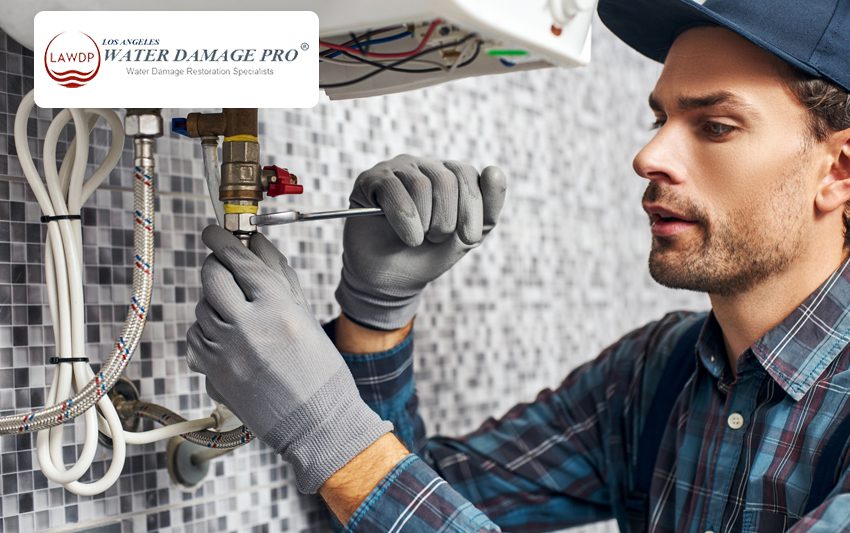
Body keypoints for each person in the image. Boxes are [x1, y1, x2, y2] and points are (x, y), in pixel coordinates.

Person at [185, 0, 850, 530]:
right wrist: (374, 316)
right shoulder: (657, 375)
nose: (649, 156)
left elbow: (365, 472)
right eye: (660, 117)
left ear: (839, 171)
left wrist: (329, 429)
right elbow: (391, 500)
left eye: (716, 126)